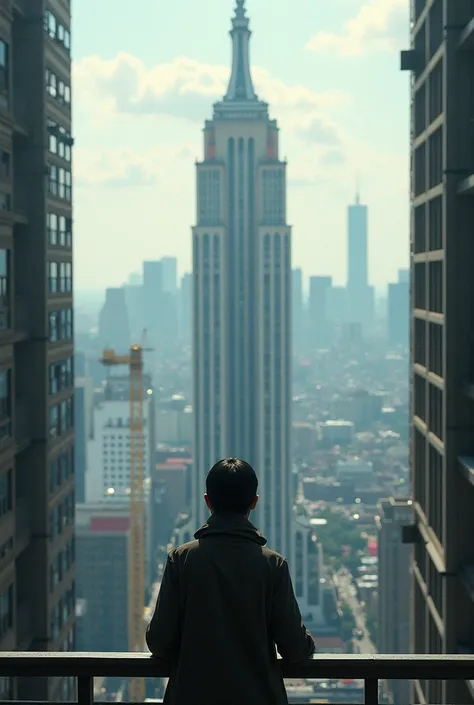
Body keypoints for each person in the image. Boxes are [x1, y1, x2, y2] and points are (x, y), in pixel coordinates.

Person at [146, 457, 315, 705]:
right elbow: (295, 649)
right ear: (254, 502)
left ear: (207, 501)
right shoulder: (272, 565)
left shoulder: (181, 560)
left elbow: (159, 642)